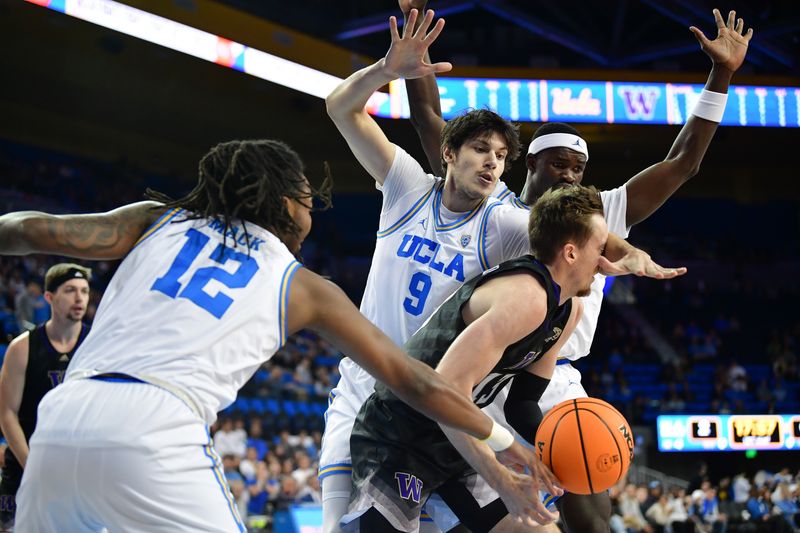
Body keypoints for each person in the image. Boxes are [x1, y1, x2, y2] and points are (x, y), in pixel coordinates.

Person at [0, 139, 549, 531]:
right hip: (158, 427)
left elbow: (30, 230)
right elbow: (416, 381)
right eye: (308, 197)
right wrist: (503, 442)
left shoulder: (154, 218)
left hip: (61, 417)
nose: (314, 207)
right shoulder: (301, 285)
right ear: (285, 203)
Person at [322, 8, 684, 532]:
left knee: (533, 525)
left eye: (500, 155)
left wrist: (627, 252)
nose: (492, 162)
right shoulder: (405, 186)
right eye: (480, 150)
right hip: (375, 395)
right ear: (449, 154)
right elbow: (340, 107)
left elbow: (574, 229)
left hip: (453, 404)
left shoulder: (510, 222)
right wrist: (386, 70)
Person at [403, 3, 752, 531]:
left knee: (587, 481)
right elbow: (434, 131)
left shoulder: (601, 210)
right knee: (490, 512)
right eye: (558, 164)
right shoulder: (493, 203)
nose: (570, 175)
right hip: (487, 370)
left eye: (579, 167)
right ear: (530, 164)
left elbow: (685, 163)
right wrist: (416, 51)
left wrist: (721, 74)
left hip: (554, 374)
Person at [342, 185, 603, 532]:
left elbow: (522, 405)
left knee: (536, 526)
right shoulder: (525, 298)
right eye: (600, 249)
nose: (604, 262)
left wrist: (563, 450)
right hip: (401, 432)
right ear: (570, 253)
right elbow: (443, 395)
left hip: (456, 437)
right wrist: (500, 478)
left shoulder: (568, 310)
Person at [0, 263, 91, 531]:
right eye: (70, 290)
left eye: (85, 291)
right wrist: (33, 466)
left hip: (78, 465)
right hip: (25, 464)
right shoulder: (22, 347)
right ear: (49, 297)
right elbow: (6, 413)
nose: (79, 298)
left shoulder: (97, 343)